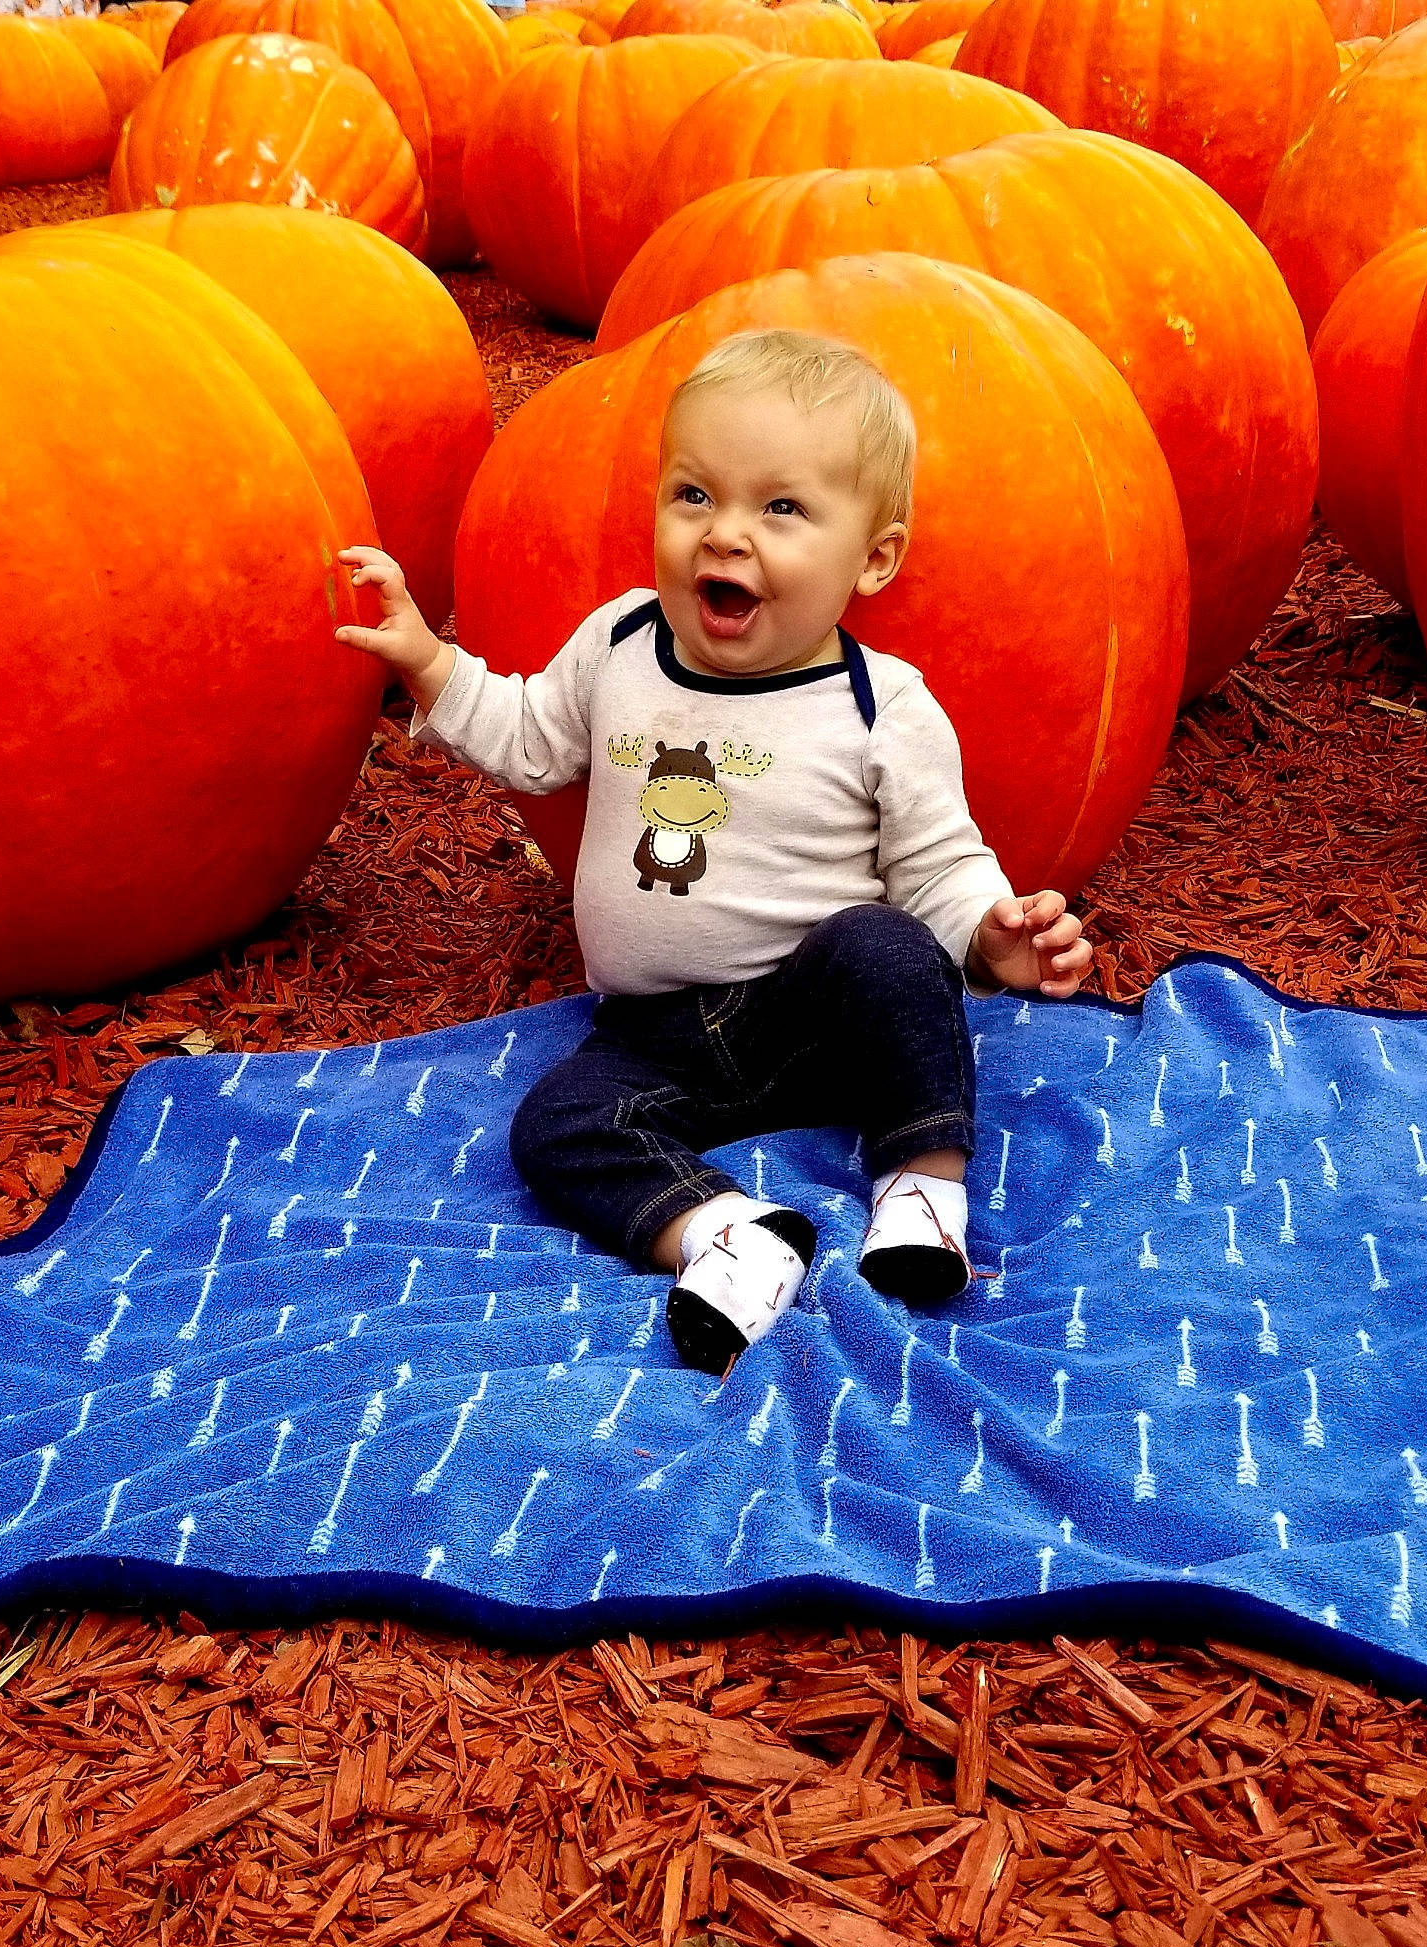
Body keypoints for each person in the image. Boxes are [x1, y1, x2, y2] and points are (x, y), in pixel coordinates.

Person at [335, 329, 1093, 1375]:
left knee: (887, 948)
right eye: (693, 495)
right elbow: (524, 739)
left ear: (872, 556)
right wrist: (428, 660)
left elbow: (939, 867)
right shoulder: (618, 645)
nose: (723, 535)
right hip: (652, 1037)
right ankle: (726, 1235)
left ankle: (919, 1188)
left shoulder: (882, 705)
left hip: (808, 1020)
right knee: (552, 1123)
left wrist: (992, 935)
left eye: (779, 508)